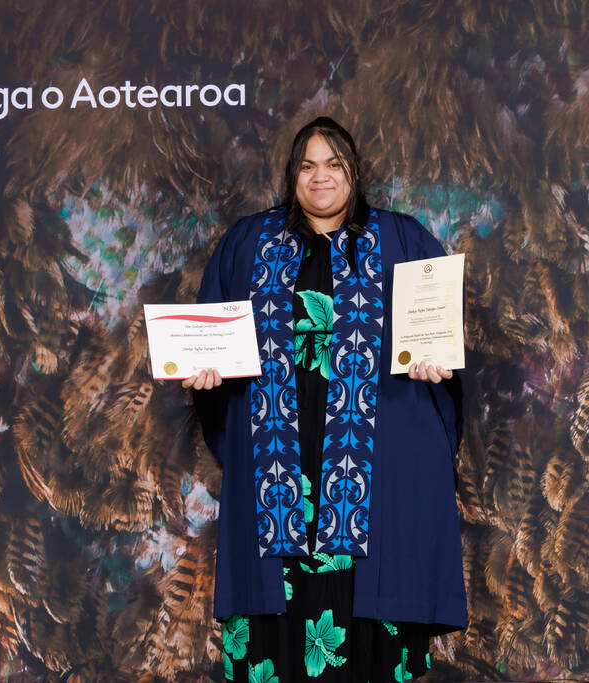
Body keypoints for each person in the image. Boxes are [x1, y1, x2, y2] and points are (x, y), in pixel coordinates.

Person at [185, 117, 466, 682]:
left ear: (354, 172)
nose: (321, 177)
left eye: (334, 164)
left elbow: (436, 335)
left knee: (370, 606)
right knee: (277, 620)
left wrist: (435, 364)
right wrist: (207, 373)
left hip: (374, 472)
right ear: (292, 175)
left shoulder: (401, 239)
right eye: (308, 165)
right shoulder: (249, 242)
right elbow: (211, 336)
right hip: (277, 469)